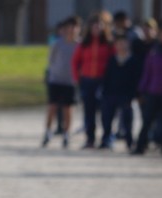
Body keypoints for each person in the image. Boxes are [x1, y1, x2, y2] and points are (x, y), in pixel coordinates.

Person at [132, 21, 162, 157]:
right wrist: (141, 89)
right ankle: (140, 146)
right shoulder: (154, 51)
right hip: (153, 91)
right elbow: (147, 72)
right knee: (147, 120)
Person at [71, 12, 114, 149]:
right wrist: (78, 79)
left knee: (106, 112)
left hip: (103, 81)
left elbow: (113, 63)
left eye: (99, 26)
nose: (97, 28)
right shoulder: (84, 43)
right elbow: (75, 62)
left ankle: (107, 139)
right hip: (87, 81)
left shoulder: (108, 43)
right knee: (89, 112)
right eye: (94, 26)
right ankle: (90, 139)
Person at [42, 16, 80, 148]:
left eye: (74, 27)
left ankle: (66, 133)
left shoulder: (79, 45)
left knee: (68, 109)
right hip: (56, 80)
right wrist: (52, 74)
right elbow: (51, 60)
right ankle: (47, 132)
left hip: (71, 81)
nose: (71, 29)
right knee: (52, 107)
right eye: (69, 26)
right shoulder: (57, 43)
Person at [99, 33, 141, 150]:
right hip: (111, 94)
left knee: (127, 120)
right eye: (119, 44)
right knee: (107, 118)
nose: (121, 46)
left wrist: (133, 95)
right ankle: (106, 140)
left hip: (126, 95)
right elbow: (107, 77)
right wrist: (105, 92)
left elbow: (135, 80)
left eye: (123, 43)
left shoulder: (133, 60)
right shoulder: (112, 59)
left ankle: (129, 141)